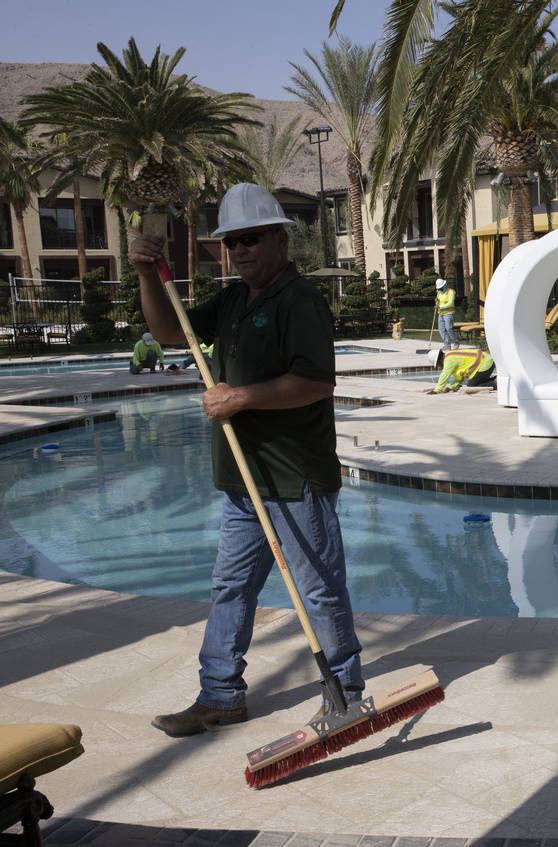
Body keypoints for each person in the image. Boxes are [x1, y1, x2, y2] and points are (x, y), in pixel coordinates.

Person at [129, 182, 363, 737]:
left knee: (320, 590)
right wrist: (145, 274)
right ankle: (220, 695)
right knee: (230, 587)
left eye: (251, 239)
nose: (240, 252)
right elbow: (167, 331)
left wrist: (243, 396)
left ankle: (346, 693)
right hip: (243, 480)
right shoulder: (235, 301)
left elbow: (316, 382)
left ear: (281, 239)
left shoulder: (300, 302)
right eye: (231, 243)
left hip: (292, 477)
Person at [424, 347, 496, 394]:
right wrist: (451, 387)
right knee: (474, 382)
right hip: (486, 361)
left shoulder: (449, 360)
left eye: (438, 364)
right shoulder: (450, 356)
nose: (440, 366)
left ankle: (496, 384)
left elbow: (444, 375)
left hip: (485, 364)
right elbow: (460, 378)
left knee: (471, 386)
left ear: (439, 360)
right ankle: (495, 379)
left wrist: (437, 390)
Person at [435, 277, 458, 350]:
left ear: (444, 285)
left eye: (440, 288)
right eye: (438, 288)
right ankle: (447, 345)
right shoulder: (439, 293)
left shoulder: (451, 292)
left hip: (448, 313)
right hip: (440, 314)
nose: (439, 289)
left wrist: (440, 306)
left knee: (449, 328)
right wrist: (436, 302)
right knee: (441, 329)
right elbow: (438, 301)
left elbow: (450, 303)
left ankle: (456, 342)